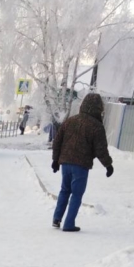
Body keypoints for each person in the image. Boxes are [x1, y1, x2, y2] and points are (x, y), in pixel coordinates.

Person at [50, 93, 113, 232]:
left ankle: (56, 219)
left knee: (64, 190)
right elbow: (100, 149)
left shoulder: (70, 121)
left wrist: (55, 160)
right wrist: (108, 165)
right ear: (99, 108)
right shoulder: (96, 126)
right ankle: (69, 224)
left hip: (65, 163)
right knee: (76, 194)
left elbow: (57, 141)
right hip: (81, 165)